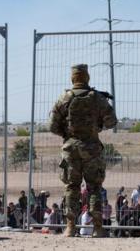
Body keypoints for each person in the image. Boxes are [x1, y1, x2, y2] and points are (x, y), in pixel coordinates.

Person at [49, 64, 117, 237]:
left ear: (72, 79)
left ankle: (71, 227)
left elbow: (52, 126)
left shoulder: (64, 98)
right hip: (92, 148)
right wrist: (97, 126)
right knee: (94, 187)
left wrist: (67, 134)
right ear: (87, 77)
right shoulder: (97, 98)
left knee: (72, 187)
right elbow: (112, 121)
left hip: (70, 149)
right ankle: (98, 228)